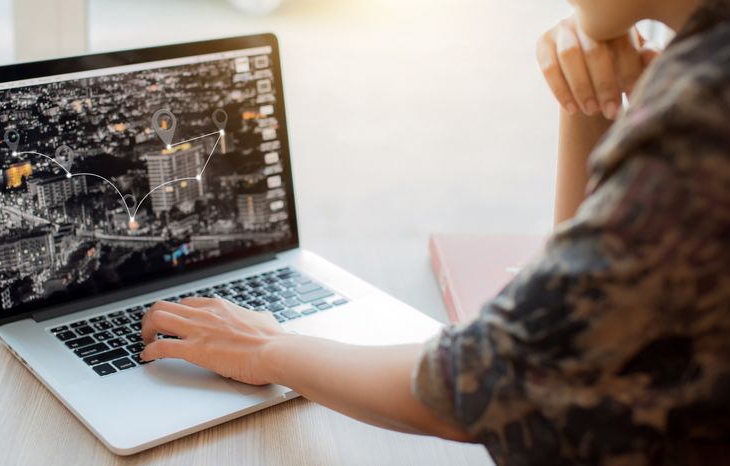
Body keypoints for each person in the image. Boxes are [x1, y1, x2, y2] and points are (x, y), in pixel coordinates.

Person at [139, 0, 730, 463]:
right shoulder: (701, 64)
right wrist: (591, 95)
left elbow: (491, 377)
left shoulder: (701, 115)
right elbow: (581, 330)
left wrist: (265, 348)